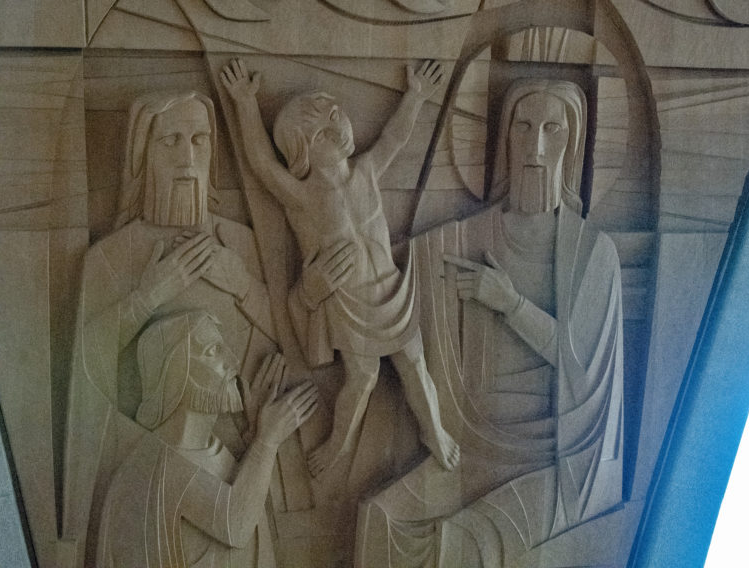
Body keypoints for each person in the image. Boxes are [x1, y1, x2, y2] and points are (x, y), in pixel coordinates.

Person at [356, 79, 624, 568]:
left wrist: (510, 303)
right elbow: (384, 281)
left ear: (573, 144)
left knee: (459, 544)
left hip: (549, 455)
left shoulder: (593, 253)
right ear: (505, 138)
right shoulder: (461, 238)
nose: (535, 145)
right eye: (523, 127)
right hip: (469, 444)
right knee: (380, 517)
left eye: (552, 129)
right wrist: (337, 266)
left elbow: (580, 365)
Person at [63, 91, 275, 565]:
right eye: (170, 140)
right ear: (143, 155)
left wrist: (243, 285)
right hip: (155, 485)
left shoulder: (239, 243)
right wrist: (148, 296)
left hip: (236, 464)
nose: (187, 158)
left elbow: (292, 347)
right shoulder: (109, 258)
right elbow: (81, 372)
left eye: (200, 140)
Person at [221, 58, 459, 476]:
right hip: (350, 303)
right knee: (362, 378)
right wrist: (244, 103)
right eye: (320, 132)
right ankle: (338, 444)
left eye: (336, 116)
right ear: (301, 151)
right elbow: (261, 163)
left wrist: (417, 95)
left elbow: (394, 138)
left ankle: (434, 431)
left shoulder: (365, 171)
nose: (336, 131)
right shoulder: (302, 197)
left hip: (391, 290)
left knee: (415, 365)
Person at [97, 310, 317, 568]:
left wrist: (254, 434)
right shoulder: (155, 465)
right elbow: (235, 525)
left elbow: (234, 505)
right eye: (213, 351)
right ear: (176, 372)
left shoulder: (210, 448)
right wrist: (266, 441)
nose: (233, 361)